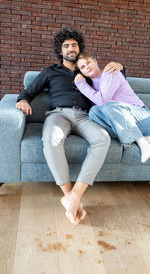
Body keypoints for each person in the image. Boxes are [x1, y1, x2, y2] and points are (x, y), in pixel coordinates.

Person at [16, 28, 123, 225]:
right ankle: (71, 197)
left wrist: (120, 66)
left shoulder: (88, 70)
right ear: (60, 50)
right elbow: (27, 92)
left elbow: (112, 79)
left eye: (74, 45)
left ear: (79, 48)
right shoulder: (50, 72)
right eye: (66, 46)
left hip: (85, 116)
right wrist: (22, 100)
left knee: (102, 138)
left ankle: (75, 195)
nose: (71, 48)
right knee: (50, 139)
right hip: (59, 114)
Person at [74, 52, 150, 164]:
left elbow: (102, 100)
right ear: (81, 72)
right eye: (82, 67)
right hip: (124, 125)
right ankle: (140, 139)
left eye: (88, 62)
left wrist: (81, 84)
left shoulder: (110, 72)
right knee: (93, 112)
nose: (87, 67)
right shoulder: (92, 86)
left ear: (95, 61)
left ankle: (143, 143)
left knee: (108, 105)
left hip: (141, 118)